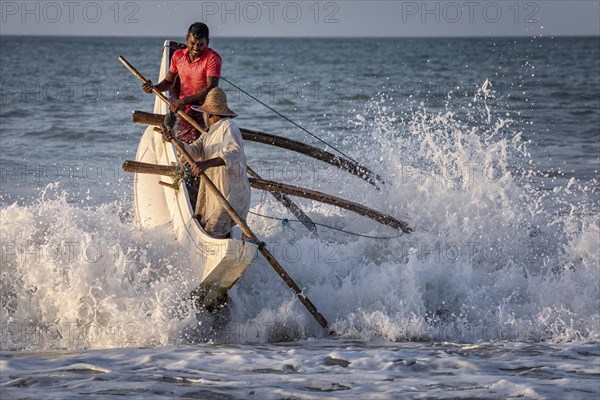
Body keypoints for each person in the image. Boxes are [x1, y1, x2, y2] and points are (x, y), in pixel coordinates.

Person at [162, 88, 250, 239]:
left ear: (209, 114)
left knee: (214, 230)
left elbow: (235, 152)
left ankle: (230, 255)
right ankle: (232, 248)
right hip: (216, 193)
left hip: (231, 193)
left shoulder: (228, 126)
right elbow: (192, 151)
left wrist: (206, 164)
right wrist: (175, 142)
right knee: (213, 229)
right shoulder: (208, 134)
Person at [144, 22, 221, 143]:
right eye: (192, 43)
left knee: (196, 140)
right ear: (187, 39)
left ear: (208, 42)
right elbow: (169, 82)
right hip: (184, 107)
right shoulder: (177, 55)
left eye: (201, 45)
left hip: (204, 108)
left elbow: (211, 89)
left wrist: (183, 101)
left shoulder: (212, 58)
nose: (196, 48)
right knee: (171, 133)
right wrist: (154, 88)